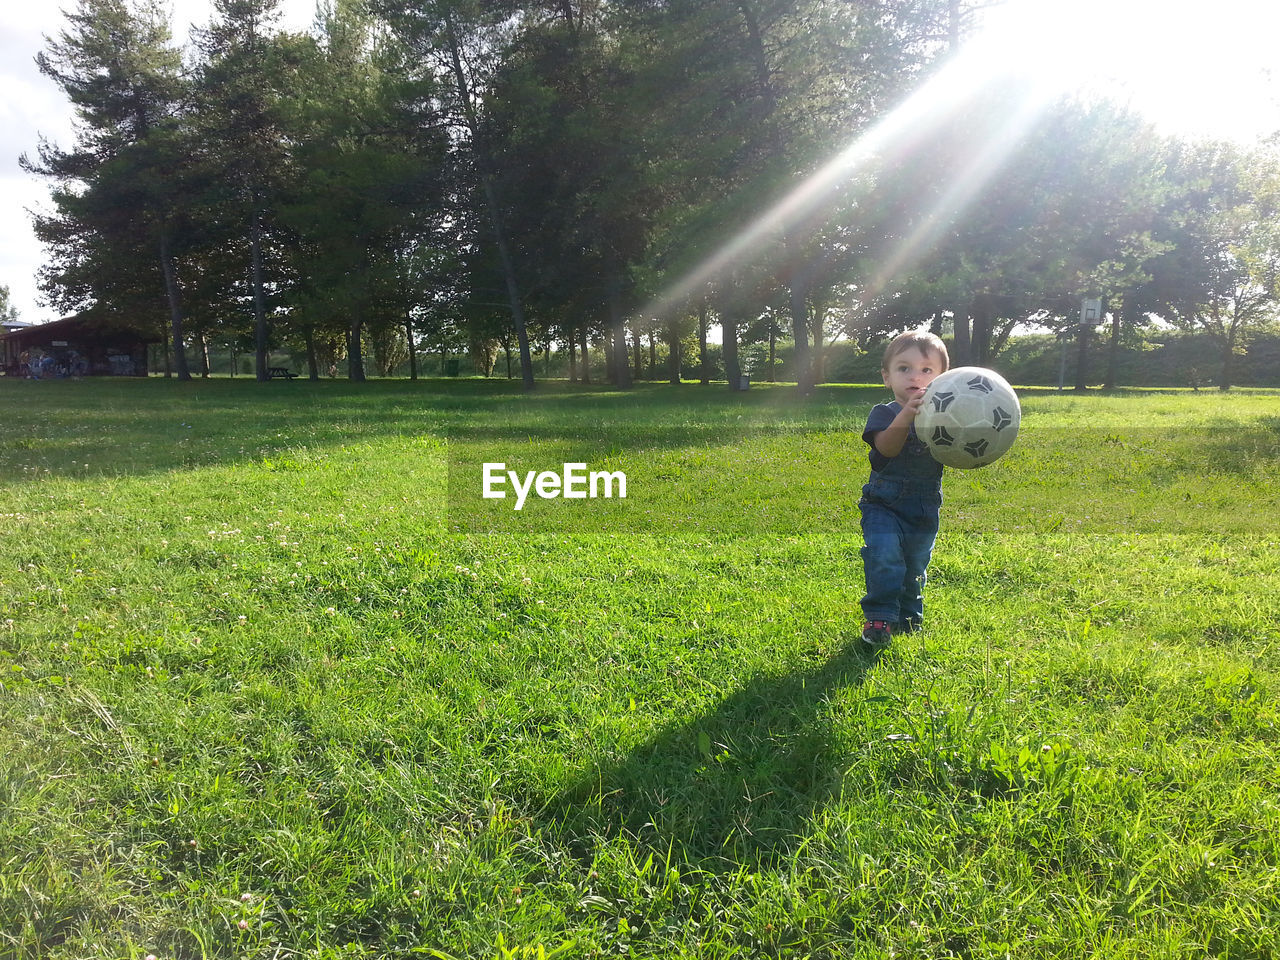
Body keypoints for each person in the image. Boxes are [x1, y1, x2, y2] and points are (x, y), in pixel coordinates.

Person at [858, 330, 949, 647]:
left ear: (942, 379)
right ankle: (880, 617)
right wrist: (907, 414)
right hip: (883, 506)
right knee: (885, 557)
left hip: (924, 508)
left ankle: (909, 619)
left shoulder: (943, 416)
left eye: (927, 370)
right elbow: (886, 450)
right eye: (904, 368)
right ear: (887, 377)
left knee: (914, 566)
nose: (915, 377)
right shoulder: (884, 413)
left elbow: (961, 451)